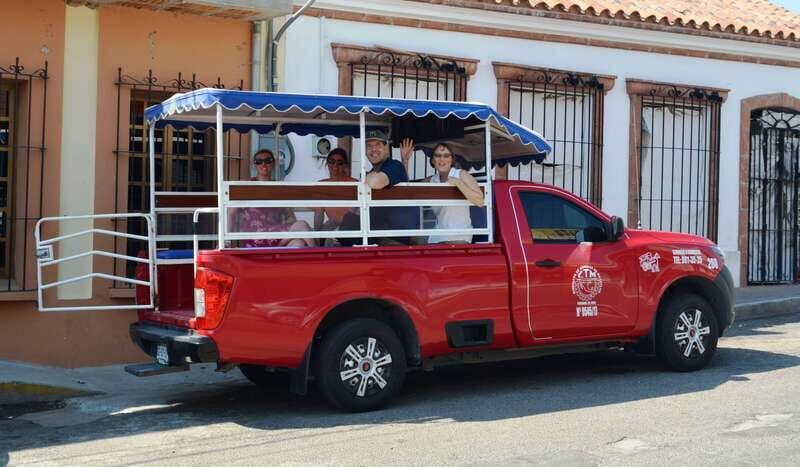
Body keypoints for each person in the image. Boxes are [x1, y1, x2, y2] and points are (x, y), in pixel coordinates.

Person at [339, 130, 419, 246]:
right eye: (369, 146)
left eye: (378, 145)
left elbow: (374, 183)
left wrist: (365, 178)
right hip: (375, 234)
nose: (373, 150)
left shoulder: (394, 166)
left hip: (391, 238)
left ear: (386, 148)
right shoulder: (374, 171)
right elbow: (356, 208)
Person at [230, 149, 316, 248]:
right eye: (259, 162)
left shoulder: (279, 188)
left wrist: (289, 225)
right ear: (254, 165)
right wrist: (227, 241)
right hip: (254, 237)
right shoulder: (246, 184)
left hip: (275, 235)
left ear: (274, 163)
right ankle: (319, 256)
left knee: (299, 243)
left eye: (268, 161)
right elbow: (230, 213)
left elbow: (290, 216)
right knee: (302, 226)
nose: (263, 164)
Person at [417, 142, 484, 244]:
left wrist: (458, 183)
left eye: (446, 155)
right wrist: (405, 161)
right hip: (437, 237)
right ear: (433, 160)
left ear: (451, 159)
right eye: (438, 155)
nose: (442, 159)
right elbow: (407, 191)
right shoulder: (430, 180)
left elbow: (480, 200)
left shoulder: (461, 175)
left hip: (459, 237)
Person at [313, 148, 358, 231]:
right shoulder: (321, 185)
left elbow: (356, 214)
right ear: (327, 163)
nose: (335, 166)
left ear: (345, 165)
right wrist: (316, 237)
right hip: (332, 226)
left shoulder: (354, 184)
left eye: (340, 163)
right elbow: (319, 214)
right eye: (331, 162)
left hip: (351, 229)